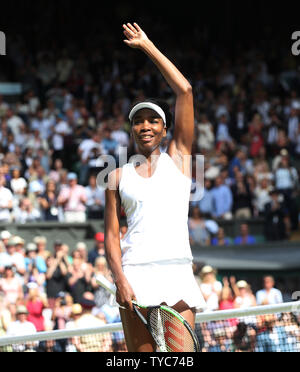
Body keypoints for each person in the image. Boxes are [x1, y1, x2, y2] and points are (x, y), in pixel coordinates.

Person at [105, 23, 206, 352]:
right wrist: (120, 279)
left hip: (177, 270)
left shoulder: (179, 159)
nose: (145, 126)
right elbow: (110, 234)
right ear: (132, 129)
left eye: (153, 120)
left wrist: (147, 45)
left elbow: (185, 91)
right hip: (133, 275)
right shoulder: (116, 176)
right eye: (139, 121)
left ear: (165, 129)